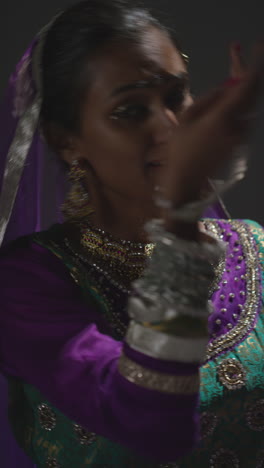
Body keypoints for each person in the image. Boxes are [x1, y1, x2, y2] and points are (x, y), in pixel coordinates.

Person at [0, 1, 264, 467]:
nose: (171, 129)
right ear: (67, 140)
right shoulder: (25, 285)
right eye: (130, 110)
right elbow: (151, 424)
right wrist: (178, 216)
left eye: (176, 96)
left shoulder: (255, 248)